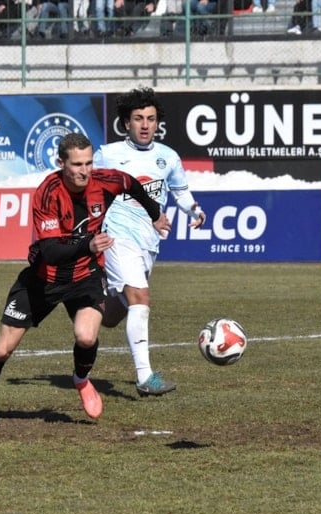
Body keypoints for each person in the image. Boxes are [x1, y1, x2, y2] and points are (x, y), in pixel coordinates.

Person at [0, 133, 171, 426]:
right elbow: (51, 252)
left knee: (86, 336)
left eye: (89, 163)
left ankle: (81, 379)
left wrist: (155, 215)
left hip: (85, 276)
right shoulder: (47, 193)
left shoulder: (105, 180)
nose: (85, 171)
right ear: (61, 163)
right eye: (77, 164)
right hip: (43, 279)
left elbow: (131, 184)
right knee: (2, 349)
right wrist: (89, 245)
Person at [93, 87, 206, 397]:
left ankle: (84, 305)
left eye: (151, 119)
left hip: (148, 242)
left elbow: (180, 191)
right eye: (138, 118)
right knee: (140, 298)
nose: (145, 125)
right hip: (116, 236)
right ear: (126, 123)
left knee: (113, 315)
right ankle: (145, 377)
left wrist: (194, 210)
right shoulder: (107, 154)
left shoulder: (168, 157)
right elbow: (84, 187)